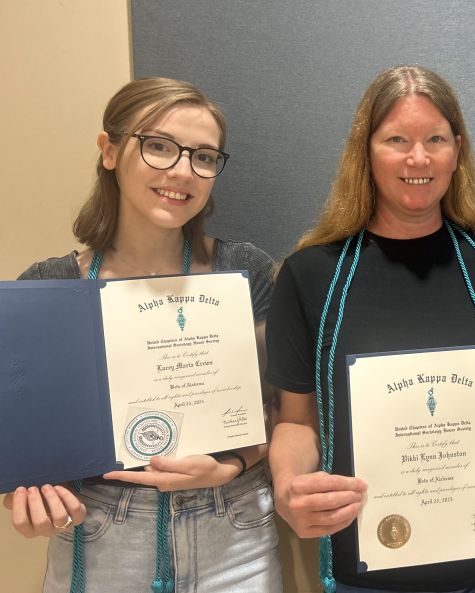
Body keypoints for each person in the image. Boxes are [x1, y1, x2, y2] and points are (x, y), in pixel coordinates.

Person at [265, 65, 475, 593]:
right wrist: (288, 485)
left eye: (435, 140)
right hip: (365, 572)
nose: (418, 158)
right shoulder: (311, 275)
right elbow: (296, 421)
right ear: (366, 152)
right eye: (397, 139)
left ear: (457, 150)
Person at [2, 77, 282, 593]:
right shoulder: (49, 286)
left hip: (235, 532)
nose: (182, 171)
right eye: (157, 146)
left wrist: (234, 463)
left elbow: (280, 411)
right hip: (100, 535)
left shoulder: (243, 270)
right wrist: (27, 499)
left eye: (203, 157)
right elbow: (22, 443)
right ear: (108, 151)